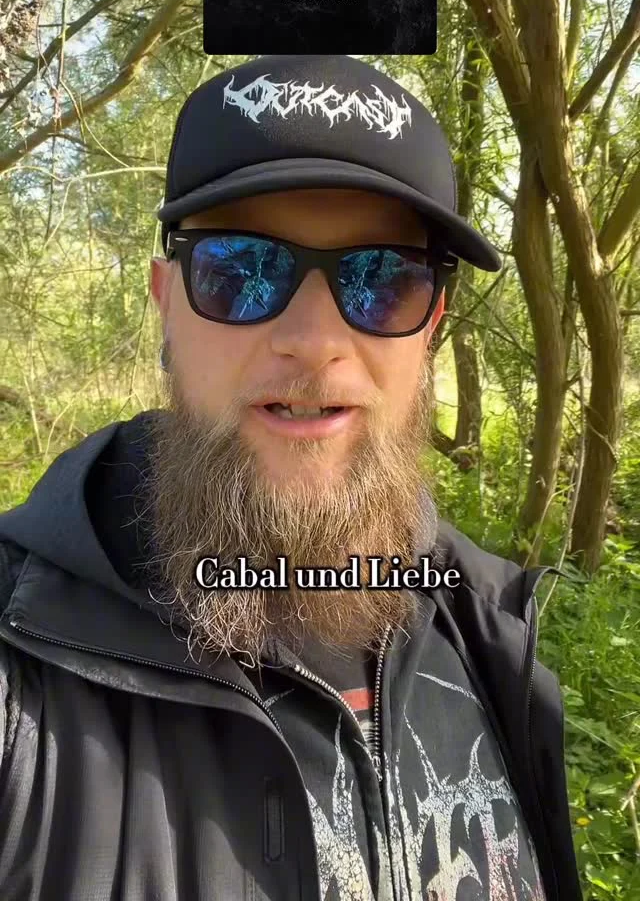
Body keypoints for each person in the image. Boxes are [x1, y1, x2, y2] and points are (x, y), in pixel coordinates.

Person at [0, 55, 582, 901]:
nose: (313, 341)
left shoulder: (489, 632)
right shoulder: (21, 661)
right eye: (243, 269)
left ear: (431, 327)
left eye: (384, 279)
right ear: (166, 301)